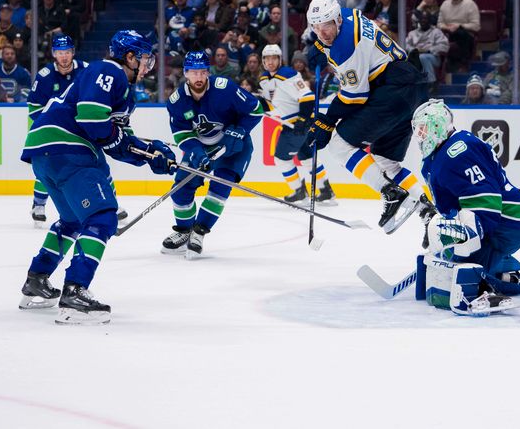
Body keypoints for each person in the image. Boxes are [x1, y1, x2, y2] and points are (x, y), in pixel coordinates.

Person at [18, 30, 175, 325]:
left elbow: (116, 139)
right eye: (143, 59)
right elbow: (93, 120)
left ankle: (36, 280)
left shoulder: (120, 88)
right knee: (103, 218)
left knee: (74, 221)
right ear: (129, 57)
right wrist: (140, 149)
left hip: (46, 153)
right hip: (69, 150)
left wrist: (151, 155)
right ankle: (75, 292)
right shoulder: (109, 70)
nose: (146, 66)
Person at [305, 0, 431, 233]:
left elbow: (355, 97)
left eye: (327, 25)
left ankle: (390, 193)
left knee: (339, 145)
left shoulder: (344, 48)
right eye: (317, 28)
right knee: (386, 161)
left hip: (392, 90)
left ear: (337, 20)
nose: (322, 33)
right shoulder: (350, 14)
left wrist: (328, 121)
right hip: (410, 86)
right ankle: (429, 214)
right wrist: (324, 48)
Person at [411, 99, 520, 316]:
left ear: (438, 125)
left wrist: (462, 243)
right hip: (496, 224)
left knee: (460, 266)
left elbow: (486, 201)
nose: (420, 135)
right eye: (418, 131)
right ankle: (507, 271)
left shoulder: (457, 151)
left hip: (505, 226)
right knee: (448, 239)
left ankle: (497, 279)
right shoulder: (439, 155)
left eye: (424, 129)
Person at [161, 51, 263, 259]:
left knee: (220, 185)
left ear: (208, 72)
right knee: (180, 188)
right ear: (186, 73)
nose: (198, 77)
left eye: (202, 72)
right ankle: (184, 231)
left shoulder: (224, 89)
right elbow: (182, 134)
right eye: (193, 73)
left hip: (234, 145)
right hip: (202, 147)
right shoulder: (177, 100)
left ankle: (199, 232)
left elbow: (255, 110)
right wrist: (197, 152)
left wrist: (240, 131)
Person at [258, 44, 335, 204]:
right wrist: (254, 105)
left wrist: (302, 120)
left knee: (281, 158)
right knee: (306, 156)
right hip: (293, 123)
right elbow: (271, 104)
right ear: (263, 61)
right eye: (267, 58)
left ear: (280, 59)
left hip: (300, 123)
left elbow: (307, 97)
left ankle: (299, 191)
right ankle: (326, 190)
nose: (270, 62)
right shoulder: (264, 79)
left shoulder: (289, 75)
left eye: (274, 58)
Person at [27, 35, 89, 225]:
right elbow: (33, 107)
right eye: (60, 53)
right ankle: (39, 204)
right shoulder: (45, 75)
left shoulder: (86, 70)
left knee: (93, 162)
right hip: (49, 130)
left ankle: (109, 202)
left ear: (73, 53)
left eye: (67, 52)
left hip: (78, 129)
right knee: (48, 165)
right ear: (54, 54)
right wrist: (52, 125)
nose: (64, 57)